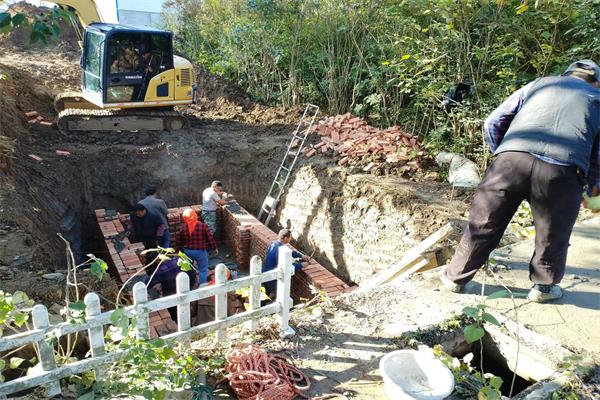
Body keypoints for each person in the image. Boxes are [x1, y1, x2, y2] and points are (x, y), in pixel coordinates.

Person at [440, 59, 600, 303]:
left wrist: (503, 153)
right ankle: (544, 288)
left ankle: (455, 278)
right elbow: (598, 154)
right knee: (553, 231)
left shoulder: (538, 85)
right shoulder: (597, 99)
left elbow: (493, 121)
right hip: (562, 170)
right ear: (597, 82)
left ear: (565, 74)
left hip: (510, 161)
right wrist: (591, 186)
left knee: (484, 223)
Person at [262, 229, 308, 304]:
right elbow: (286, 268)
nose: (291, 239)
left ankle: (264, 303)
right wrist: (301, 265)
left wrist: (301, 256)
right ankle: (285, 309)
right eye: (290, 237)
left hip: (265, 272)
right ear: (286, 238)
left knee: (265, 293)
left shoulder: (274, 243)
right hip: (272, 277)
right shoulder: (279, 250)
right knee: (284, 292)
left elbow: (290, 252)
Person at [146, 256, 196, 322]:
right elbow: (192, 274)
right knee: (186, 309)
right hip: (185, 290)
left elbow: (146, 284)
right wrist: (190, 286)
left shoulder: (159, 271)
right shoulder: (181, 260)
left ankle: (177, 322)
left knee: (175, 314)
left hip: (170, 296)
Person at [177, 208, 217, 284]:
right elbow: (210, 239)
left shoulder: (182, 228)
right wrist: (214, 248)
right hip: (200, 252)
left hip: (187, 252)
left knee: (187, 269)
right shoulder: (203, 226)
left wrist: (179, 252)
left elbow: (178, 242)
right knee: (203, 270)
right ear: (195, 215)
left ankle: (189, 285)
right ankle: (202, 286)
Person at [127, 204, 167, 274]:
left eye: (139, 213)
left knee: (154, 255)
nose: (138, 215)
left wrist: (158, 237)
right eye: (136, 214)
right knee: (145, 256)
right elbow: (131, 224)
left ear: (144, 211)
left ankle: (156, 270)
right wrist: (129, 230)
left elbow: (161, 226)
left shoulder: (153, 216)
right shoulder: (134, 216)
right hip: (140, 239)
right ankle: (148, 269)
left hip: (153, 240)